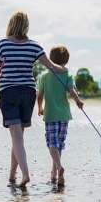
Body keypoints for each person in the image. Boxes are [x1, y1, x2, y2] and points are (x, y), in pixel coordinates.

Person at [0, 11, 67, 188]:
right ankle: (12, 175)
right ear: (26, 26)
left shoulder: (2, 44)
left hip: (9, 93)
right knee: (18, 137)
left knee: (16, 137)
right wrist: (64, 70)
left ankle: (25, 174)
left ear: (11, 24)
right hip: (28, 92)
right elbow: (52, 67)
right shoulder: (34, 46)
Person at [37, 46, 84, 186]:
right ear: (66, 60)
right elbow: (72, 91)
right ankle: (56, 175)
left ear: (51, 59)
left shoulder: (44, 76)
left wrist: (40, 108)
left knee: (52, 144)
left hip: (50, 114)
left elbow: (39, 95)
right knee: (59, 145)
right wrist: (78, 101)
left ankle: (58, 168)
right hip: (64, 115)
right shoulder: (67, 75)